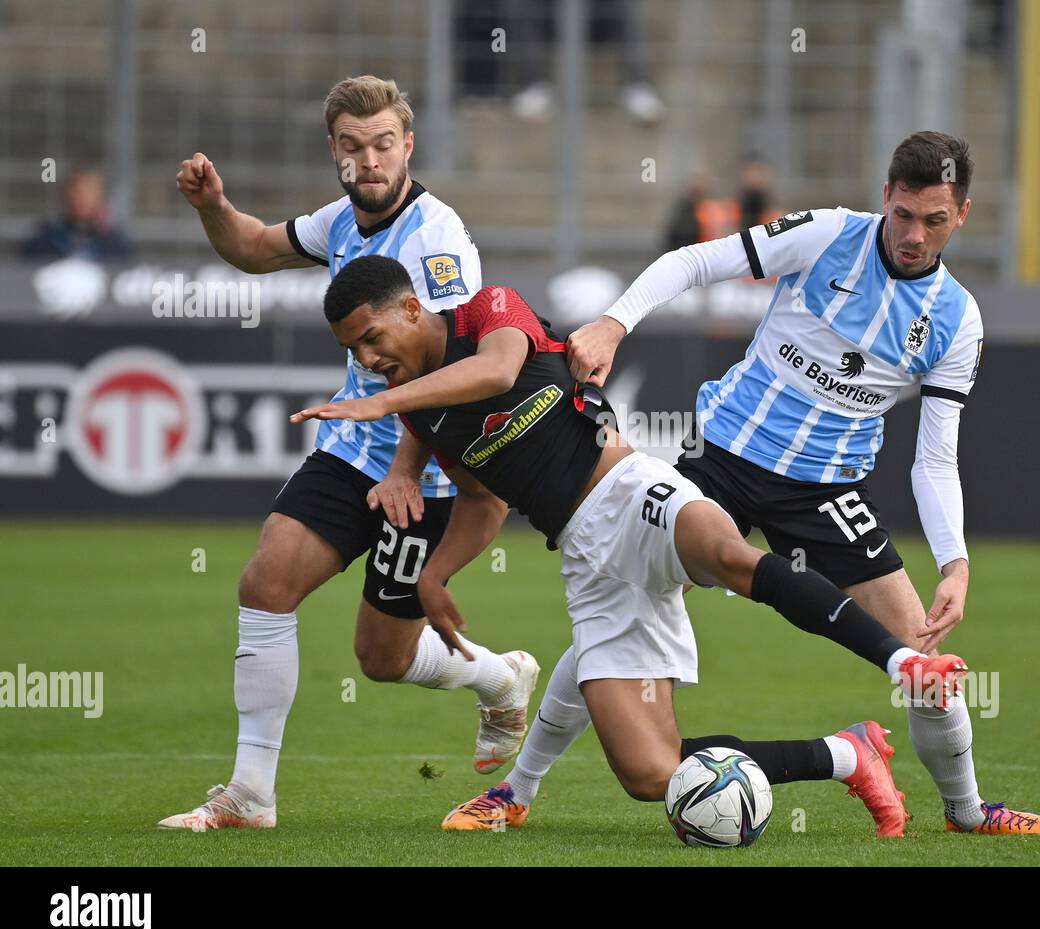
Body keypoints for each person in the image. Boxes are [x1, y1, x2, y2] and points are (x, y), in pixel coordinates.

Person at [462, 131, 1040, 836]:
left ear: (961, 216)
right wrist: (613, 322)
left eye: (933, 221)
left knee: (920, 652)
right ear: (886, 197)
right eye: (904, 214)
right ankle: (517, 788)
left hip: (828, 490)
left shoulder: (957, 319)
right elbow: (697, 260)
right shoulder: (825, 236)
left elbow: (935, 458)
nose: (913, 234)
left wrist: (956, 564)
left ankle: (968, 813)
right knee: (621, 607)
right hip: (723, 457)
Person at [289, 256, 972, 837]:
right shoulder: (419, 407)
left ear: (412, 309)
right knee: (651, 774)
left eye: (371, 337)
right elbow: (480, 499)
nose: (367, 360)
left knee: (728, 554)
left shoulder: (486, 310)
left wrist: (374, 406)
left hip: (630, 488)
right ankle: (846, 756)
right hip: (589, 559)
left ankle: (903, 660)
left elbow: (498, 372)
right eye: (352, 353)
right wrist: (436, 576)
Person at [158, 76, 537, 832]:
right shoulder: (341, 220)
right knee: (265, 584)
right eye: (354, 147)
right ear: (335, 151)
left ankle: (501, 679)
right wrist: (213, 209)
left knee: (382, 659)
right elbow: (257, 248)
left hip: (427, 463)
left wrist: (405, 467)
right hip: (350, 447)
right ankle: (251, 795)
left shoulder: (437, 239)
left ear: (408, 146)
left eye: (384, 144)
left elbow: (447, 360)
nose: (370, 160)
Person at [22, 168, 133, 262]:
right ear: (65, 196)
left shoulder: (115, 245)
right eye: (77, 191)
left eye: (90, 192)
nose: (82, 198)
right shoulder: (43, 242)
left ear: (101, 197)